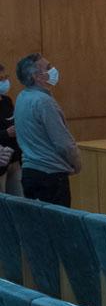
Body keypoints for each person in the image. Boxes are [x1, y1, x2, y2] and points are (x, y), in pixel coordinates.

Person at [13, 53, 80, 206]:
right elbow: (63, 143)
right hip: (50, 176)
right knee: (57, 227)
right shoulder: (44, 102)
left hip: (30, 172)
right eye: (48, 68)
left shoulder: (22, 97)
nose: (53, 70)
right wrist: (76, 164)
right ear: (37, 76)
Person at [0, 63, 23, 196]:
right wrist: (6, 133)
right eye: (0, 79)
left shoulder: (7, 100)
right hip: (1, 161)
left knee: (19, 202)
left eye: (5, 77)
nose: (4, 81)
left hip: (14, 159)